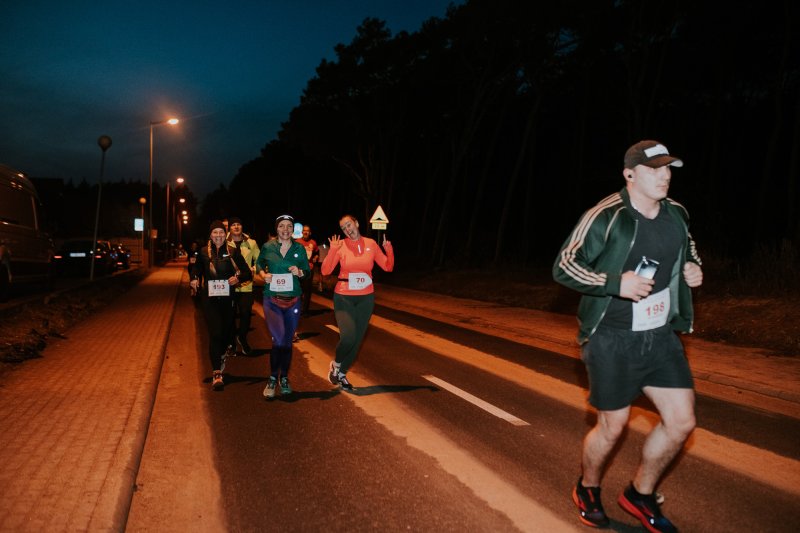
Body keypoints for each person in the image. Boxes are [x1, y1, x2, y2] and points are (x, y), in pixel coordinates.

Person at [553, 140, 703, 532]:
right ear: (630, 174)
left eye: (668, 168)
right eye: (655, 169)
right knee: (613, 426)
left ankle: (640, 493)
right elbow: (564, 265)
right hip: (611, 337)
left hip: (660, 335)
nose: (664, 176)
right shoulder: (606, 216)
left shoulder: (677, 213)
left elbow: (687, 247)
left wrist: (693, 267)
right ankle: (588, 487)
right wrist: (614, 283)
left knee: (681, 422)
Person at [321, 214, 394, 391]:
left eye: (349, 224)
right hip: (344, 296)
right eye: (343, 228)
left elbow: (388, 267)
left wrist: (388, 249)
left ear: (357, 223)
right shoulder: (340, 245)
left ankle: (342, 373)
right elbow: (325, 271)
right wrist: (332, 250)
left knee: (357, 340)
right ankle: (336, 365)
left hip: (366, 298)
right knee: (348, 338)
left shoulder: (371, 244)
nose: (347, 229)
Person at [189, 220, 253, 390]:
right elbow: (196, 269)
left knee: (225, 332)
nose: (218, 235)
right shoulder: (204, 252)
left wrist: (237, 278)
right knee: (215, 333)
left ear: (226, 235)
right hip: (209, 299)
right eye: (215, 232)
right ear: (210, 235)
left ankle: (223, 351)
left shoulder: (232, 252)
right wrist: (194, 279)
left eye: (221, 232)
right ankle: (217, 373)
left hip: (228, 299)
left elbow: (247, 273)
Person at [255, 214, 310, 398]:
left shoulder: (299, 248)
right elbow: (259, 264)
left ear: (293, 229)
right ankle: (272, 378)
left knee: (286, 342)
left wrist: (299, 272)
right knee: (278, 340)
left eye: (289, 226)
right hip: (272, 300)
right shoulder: (268, 247)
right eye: (282, 226)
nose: (285, 229)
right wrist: (263, 275)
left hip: (293, 300)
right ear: (277, 229)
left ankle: (284, 377)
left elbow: (307, 272)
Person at [227, 217, 258, 354]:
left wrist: (253, 269)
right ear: (229, 228)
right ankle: (232, 343)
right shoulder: (224, 243)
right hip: (230, 286)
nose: (236, 227)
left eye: (238, 224)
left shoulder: (252, 243)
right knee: (230, 316)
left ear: (242, 227)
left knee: (246, 314)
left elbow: (260, 260)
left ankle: (242, 338)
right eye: (233, 225)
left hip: (246, 285)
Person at [295, 225, 319, 317]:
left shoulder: (313, 243)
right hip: (298, 269)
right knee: (298, 290)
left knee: (307, 291)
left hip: (309, 269)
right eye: (304, 230)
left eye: (307, 231)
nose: (305, 232)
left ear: (310, 233)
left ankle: (305, 311)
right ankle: (297, 309)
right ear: (302, 232)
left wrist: (316, 257)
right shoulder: (297, 242)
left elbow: (316, 252)